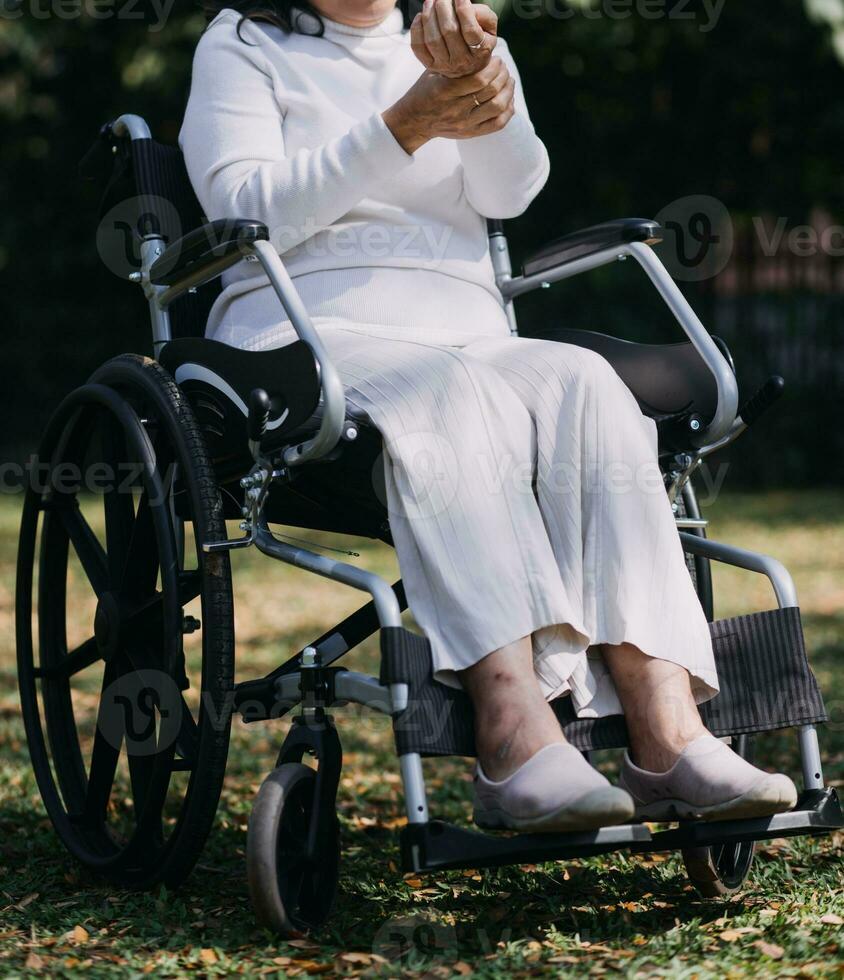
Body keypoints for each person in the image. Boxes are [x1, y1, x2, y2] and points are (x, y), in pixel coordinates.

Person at [181, 0, 798, 831]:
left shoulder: (447, 39)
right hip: (305, 334)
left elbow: (511, 189)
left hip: (466, 329)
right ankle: (513, 735)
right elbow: (240, 204)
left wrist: (476, 77)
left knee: (586, 384)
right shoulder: (243, 42)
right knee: (444, 393)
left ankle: (669, 734)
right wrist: (401, 125)